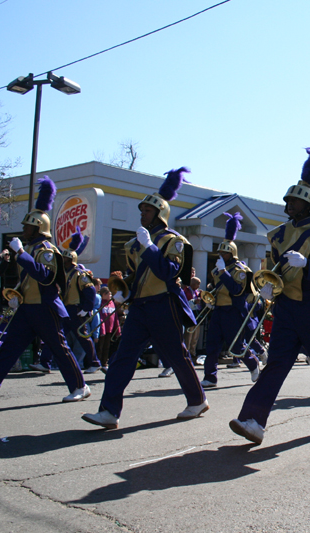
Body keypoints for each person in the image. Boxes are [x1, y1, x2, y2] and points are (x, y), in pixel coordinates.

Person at [230, 147, 310, 445]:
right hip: (286, 307)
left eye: (296, 200)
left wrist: (307, 265)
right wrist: (269, 286)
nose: (290, 203)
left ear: (308, 204)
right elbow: (274, 267)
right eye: (288, 199)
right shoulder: (278, 234)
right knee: (276, 364)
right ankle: (253, 419)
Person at [81, 168, 207, 429]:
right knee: (121, 359)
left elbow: (168, 272)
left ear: (159, 215)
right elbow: (135, 275)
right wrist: (121, 290)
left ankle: (197, 399)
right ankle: (109, 411)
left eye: (147, 211)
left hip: (163, 304)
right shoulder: (136, 243)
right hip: (140, 307)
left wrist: (150, 247)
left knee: (176, 356)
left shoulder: (174, 241)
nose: (142, 214)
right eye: (141, 211)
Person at [0, 177, 88, 408]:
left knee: (60, 349)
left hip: (45, 308)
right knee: (9, 350)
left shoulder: (47, 250)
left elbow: (46, 276)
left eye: (28, 225)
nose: (24, 229)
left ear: (39, 227)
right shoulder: (30, 249)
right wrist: (16, 296)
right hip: (28, 308)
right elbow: (28, 280)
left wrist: (22, 255)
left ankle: (80, 386)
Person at [200, 211, 261, 389]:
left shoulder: (240, 270)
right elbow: (217, 288)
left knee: (235, 346)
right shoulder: (218, 269)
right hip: (218, 310)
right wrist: (209, 299)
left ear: (232, 254)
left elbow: (236, 290)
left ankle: (253, 363)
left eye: (224, 253)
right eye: (219, 253)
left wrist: (224, 273)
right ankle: (210, 377)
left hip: (233, 311)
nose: (220, 255)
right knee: (212, 345)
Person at [61, 227, 102, 374]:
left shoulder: (80, 273)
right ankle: (46, 362)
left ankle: (94, 362)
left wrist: (86, 308)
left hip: (76, 309)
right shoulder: (65, 273)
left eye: (65, 258)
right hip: (65, 308)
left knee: (83, 337)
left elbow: (90, 290)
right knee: (56, 335)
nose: (63, 260)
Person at [96, 286, 118, 371]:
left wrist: (117, 329)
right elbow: (100, 317)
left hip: (110, 329)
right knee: (100, 347)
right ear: (104, 294)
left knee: (107, 347)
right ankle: (98, 362)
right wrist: (102, 328)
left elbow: (115, 317)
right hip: (102, 329)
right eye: (109, 293)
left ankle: (104, 362)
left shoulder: (112, 303)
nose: (111, 295)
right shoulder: (101, 303)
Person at [183, 276, 202, 365]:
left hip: (197, 314)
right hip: (190, 314)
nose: (198, 286)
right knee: (189, 336)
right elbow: (185, 303)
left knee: (195, 336)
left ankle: (193, 353)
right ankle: (186, 355)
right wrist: (194, 301)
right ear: (193, 284)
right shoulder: (186, 291)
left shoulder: (197, 292)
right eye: (197, 284)